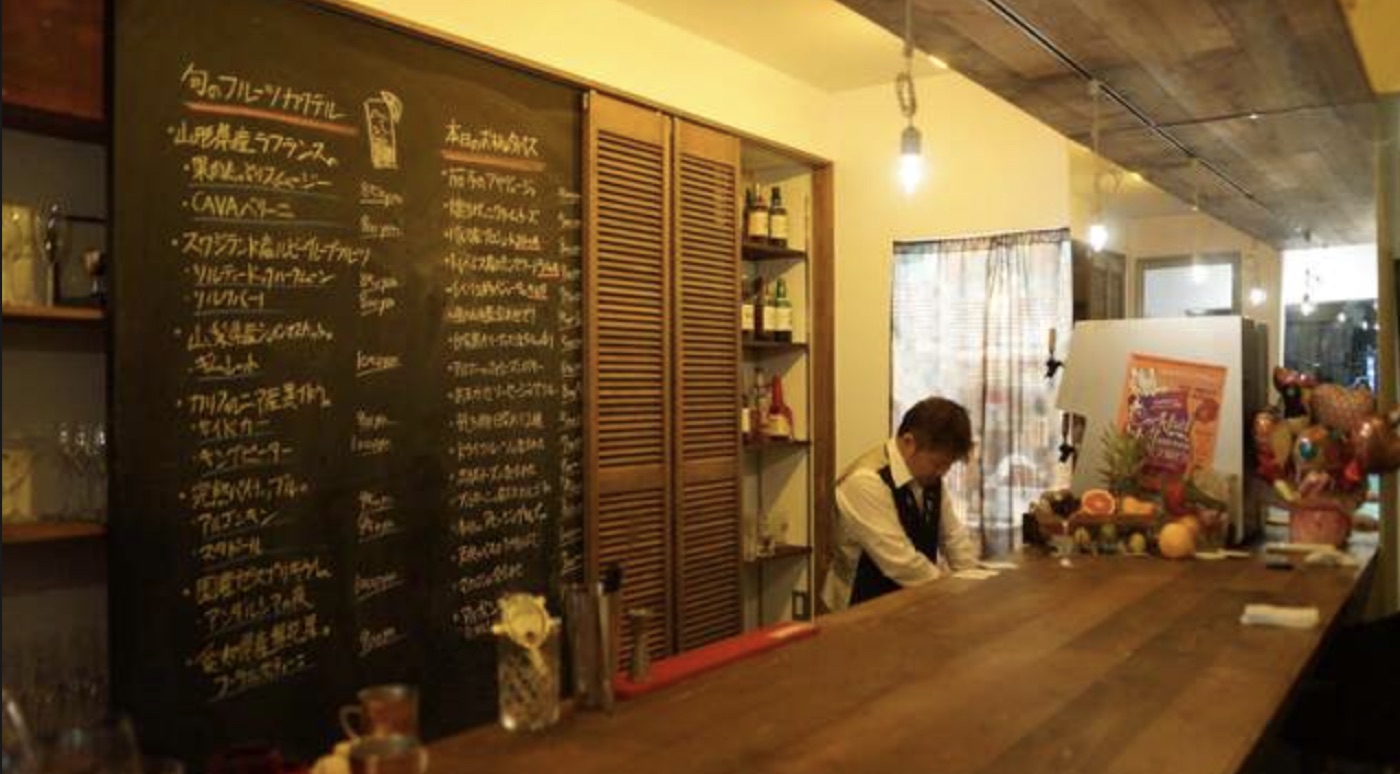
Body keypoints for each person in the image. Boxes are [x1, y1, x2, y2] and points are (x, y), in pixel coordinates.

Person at [821, 396, 979, 611]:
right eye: (938, 463)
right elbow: (900, 561)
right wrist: (949, 590)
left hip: (912, 602)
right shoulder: (865, 481)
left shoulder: (929, 478)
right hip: (859, 607)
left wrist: (973, 583)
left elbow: (953, 537)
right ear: (908, 443)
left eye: (948, 465)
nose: (942, 472)